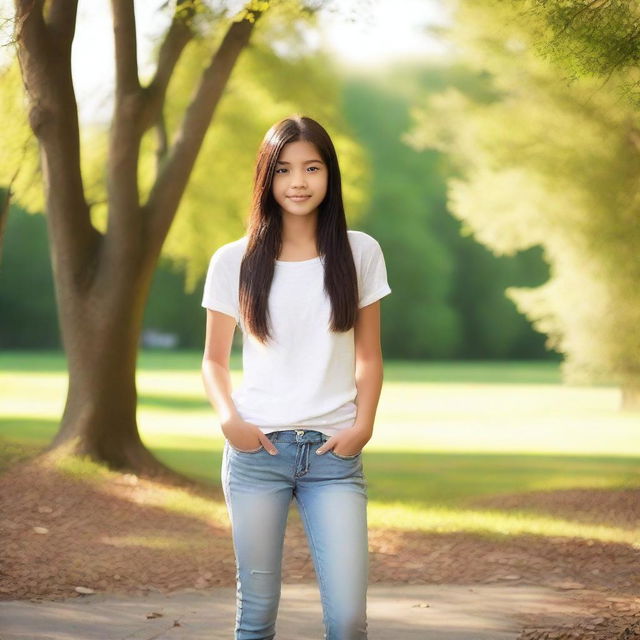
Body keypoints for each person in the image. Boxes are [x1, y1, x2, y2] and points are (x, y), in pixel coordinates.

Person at [201, 114, 392, 640]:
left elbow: (369, 356)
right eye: (284, 170)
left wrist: (363, 427)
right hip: (257, 452)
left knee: (349, 620)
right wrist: (230, 422)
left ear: (329, 175)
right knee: (257, 615)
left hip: (334, 454)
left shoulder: (360, 252)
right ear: (268, 177)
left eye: (312, 168)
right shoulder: (232, 260)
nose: (299, 182)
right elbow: (213, 359)